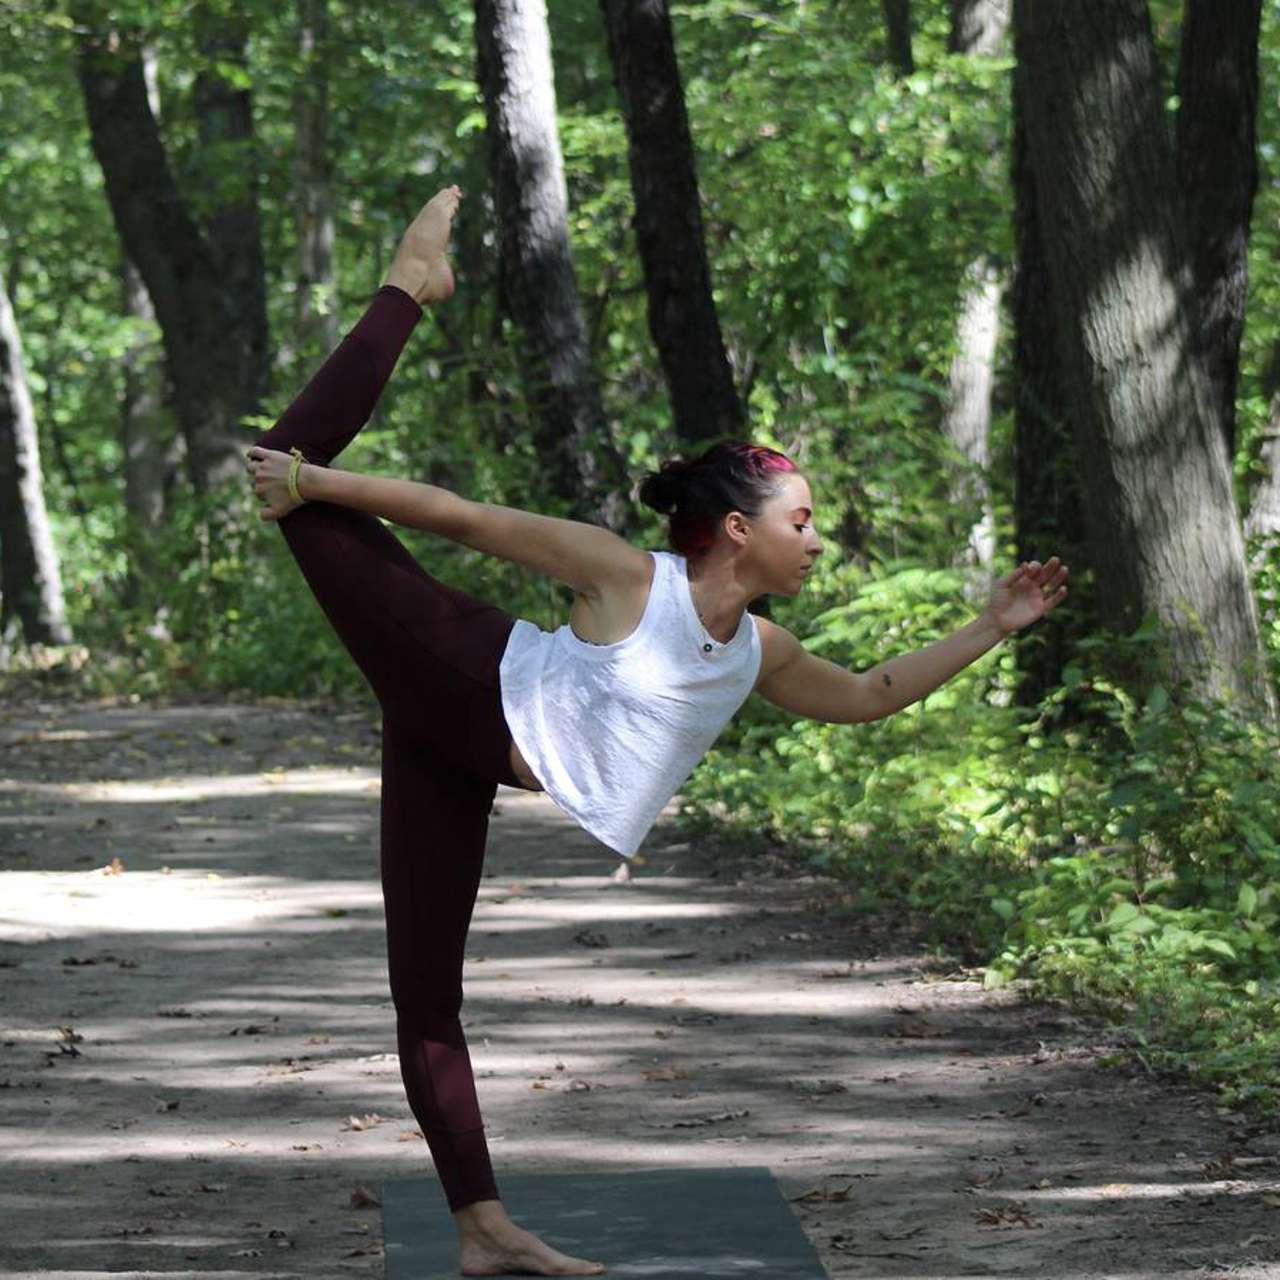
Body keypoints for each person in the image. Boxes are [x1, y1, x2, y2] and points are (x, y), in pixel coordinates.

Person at [244, 186, 1068, 1277]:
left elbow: (869, 692)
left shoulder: (753, 650)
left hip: (454, 748)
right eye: (802, 522)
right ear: (739, 529)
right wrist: (312, 482)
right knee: (285, 460)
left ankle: (482, 1229)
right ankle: (409, 284)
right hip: (460, 673)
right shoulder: (626, 577)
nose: (816, 540)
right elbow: (457, 516)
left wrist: (988, 624)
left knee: (425, 990)